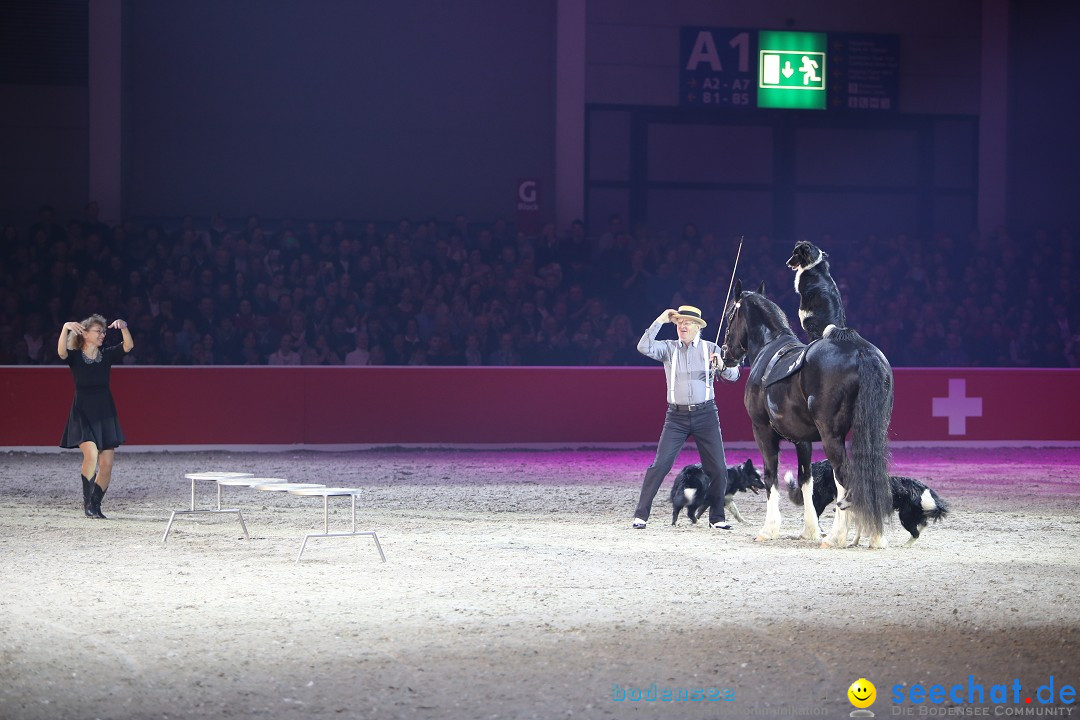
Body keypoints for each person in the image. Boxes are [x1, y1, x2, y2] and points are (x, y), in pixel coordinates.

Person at [632, 305, 739, 530]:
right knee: (659, 465)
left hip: (706, 415)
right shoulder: (668, 349)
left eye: (687, 322)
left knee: (718, 468)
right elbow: (643, 346)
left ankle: (717, 518)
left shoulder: (712, 349)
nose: (682, 325)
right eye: (679, 322)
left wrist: (721, 365)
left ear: (697, 327)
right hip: (676, 418)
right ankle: (641, 515)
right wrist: (660, 320)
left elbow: (735, 374)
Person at [57, 314, 134, 519]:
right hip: (82, 411)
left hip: (104, 411)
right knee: (91, 454)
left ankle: (95, 504)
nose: (102, 335)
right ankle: (87, 504)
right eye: (98, 331)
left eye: (104, 331)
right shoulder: (74, 355)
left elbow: (127, 347)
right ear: (85, 333)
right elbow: (61, 352)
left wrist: (124, 327)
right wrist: (65, 328)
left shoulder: (106, 355)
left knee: (107, 464)